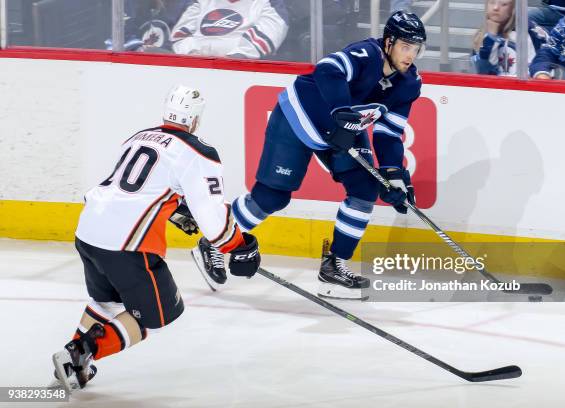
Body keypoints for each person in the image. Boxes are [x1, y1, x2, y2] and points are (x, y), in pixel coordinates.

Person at [192, 11, 425, 300]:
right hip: (300, 115)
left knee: (365, 188)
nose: (410, 55)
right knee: (271, 198)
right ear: (388, 42)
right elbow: (328, 69)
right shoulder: (367, 54)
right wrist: (341, 111)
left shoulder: (410, 83)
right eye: (405, 46)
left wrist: (394, 175)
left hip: (346, 129)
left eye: (416, 49)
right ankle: (213, 241)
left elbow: (389, 135)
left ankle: (334, 266)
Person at [51, 85, 261, 391]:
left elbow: (137, 189)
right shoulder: (198, 151)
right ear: (196, 119)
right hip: (126, 244)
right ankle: (80, 352)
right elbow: (213, 219)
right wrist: (239, 247)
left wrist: (175, 210)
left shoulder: (138, 137)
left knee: (106, 301)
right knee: (157, 316)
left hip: (89, 231)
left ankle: (72, 367)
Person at [170, 0, 289, 59]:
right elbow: (178, 38)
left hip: (240, 75)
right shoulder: (201, 2)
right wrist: (193, 55)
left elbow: (265, 39)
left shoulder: (268, 3)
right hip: (190, 69)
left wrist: (229, 60)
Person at [472, 0, 548, 76]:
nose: (495, 8)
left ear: (513, 8)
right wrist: (491, 38)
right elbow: (482, 71)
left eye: (504, 4)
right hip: (493, 86)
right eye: (492, 2)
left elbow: (540, 68)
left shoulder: (531, 32)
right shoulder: (481, 35)